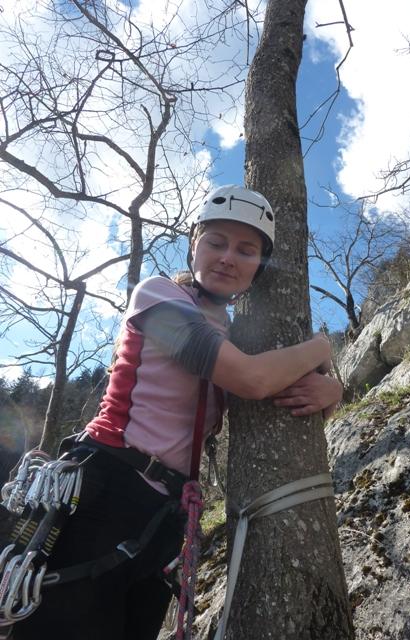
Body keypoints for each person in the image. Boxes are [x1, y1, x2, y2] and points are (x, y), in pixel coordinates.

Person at [12, 185, 342, 640]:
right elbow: (252, 380)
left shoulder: (237, 337)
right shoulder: (158, 297)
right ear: (194, 246)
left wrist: (333, 390)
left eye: (246, 250)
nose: (227, 258)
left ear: (259, 266)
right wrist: (322, 347)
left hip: (165, 515)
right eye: (216, 242)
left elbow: (279, 400)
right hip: (105, 487)